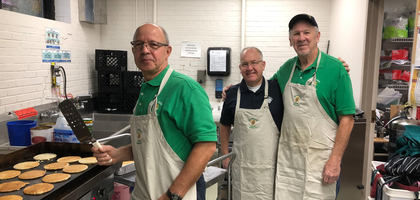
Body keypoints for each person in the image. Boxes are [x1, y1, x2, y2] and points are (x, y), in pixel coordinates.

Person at [91, 23, 217, 200]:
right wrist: (117, 154)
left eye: (153, 44)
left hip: (179, 193)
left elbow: (206, 146)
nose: (145, 50)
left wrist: (171, 195)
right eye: (138, 44)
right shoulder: (146, 90)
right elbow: (148, 145)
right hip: (145, 192)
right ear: (133, 51)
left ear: (168, 51)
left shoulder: (185, 89)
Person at [273, 14, 355, 200]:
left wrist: (335, 161)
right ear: (290, 40)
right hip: (290, 161)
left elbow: (347, 120)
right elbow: (263, 91)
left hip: (321, 162)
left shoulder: (336, 69)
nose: (301, 37)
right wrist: (234, 90)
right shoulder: (286, 69)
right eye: (296, 33)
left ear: (317, 37)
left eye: (306, 32)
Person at [220, 47, 283, 200]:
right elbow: (224, 125)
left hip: (271, 166)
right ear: (240, 68)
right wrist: (224, 156)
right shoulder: (232, 93)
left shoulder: (277, 89)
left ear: (263, 65)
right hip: (243, 167)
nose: (250, 68)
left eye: (254, 63)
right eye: (245, 64)